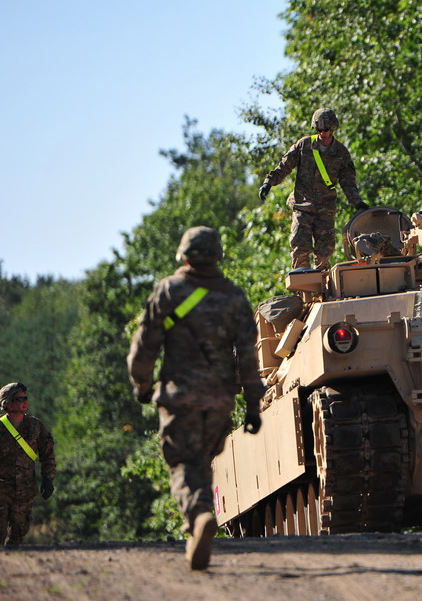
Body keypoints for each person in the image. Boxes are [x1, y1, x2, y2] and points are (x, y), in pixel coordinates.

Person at [127, 227, 265, 570]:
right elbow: (249, 357)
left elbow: (144, 347)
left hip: (180, 397)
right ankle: (200, 520)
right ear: (218, 256)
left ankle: (200, 515)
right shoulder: (234, 298)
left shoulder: (170, 291)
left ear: (184, 255)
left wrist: (142, 385)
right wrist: (252, 404)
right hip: (220, 400)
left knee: (184, 464)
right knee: (202, 461)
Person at [258, 107, 369, 271]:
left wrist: (357, 202)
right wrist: (269, 182)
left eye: (326, 129)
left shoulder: (341, 153)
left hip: (325, 209)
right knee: (300, 248)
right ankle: (304, 289)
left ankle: (323, 288)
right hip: (302, 206)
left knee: (324, 254)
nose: (322, 133)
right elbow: (284, 166)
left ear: (333, 128)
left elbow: (348, 182)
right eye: (319, 129)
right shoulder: (304, 146)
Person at [0, 382, 56, 547]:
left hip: (25, 491)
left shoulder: (35, 426)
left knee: (18, 534)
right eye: (19, 399)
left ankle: (12, 566)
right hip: (1, 490)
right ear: (7, 403)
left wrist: (48, 479)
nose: (25, 401)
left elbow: (47, 452)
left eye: (25, 398)